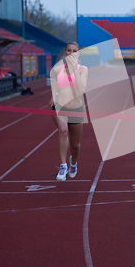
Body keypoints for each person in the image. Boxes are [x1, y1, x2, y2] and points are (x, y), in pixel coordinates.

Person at [50, 42, 89, 181]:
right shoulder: (57, 70)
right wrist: (53, 97)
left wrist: (73, 69)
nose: (71, 53)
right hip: (60, 106)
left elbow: (81, 88)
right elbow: (54, 84)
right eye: (68, 50)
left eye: (74, 51)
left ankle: (73, 162)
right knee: (62, 130)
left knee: (75, 145)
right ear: (65, 52)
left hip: (76, 108)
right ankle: (63, 166)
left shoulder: (82, 69)